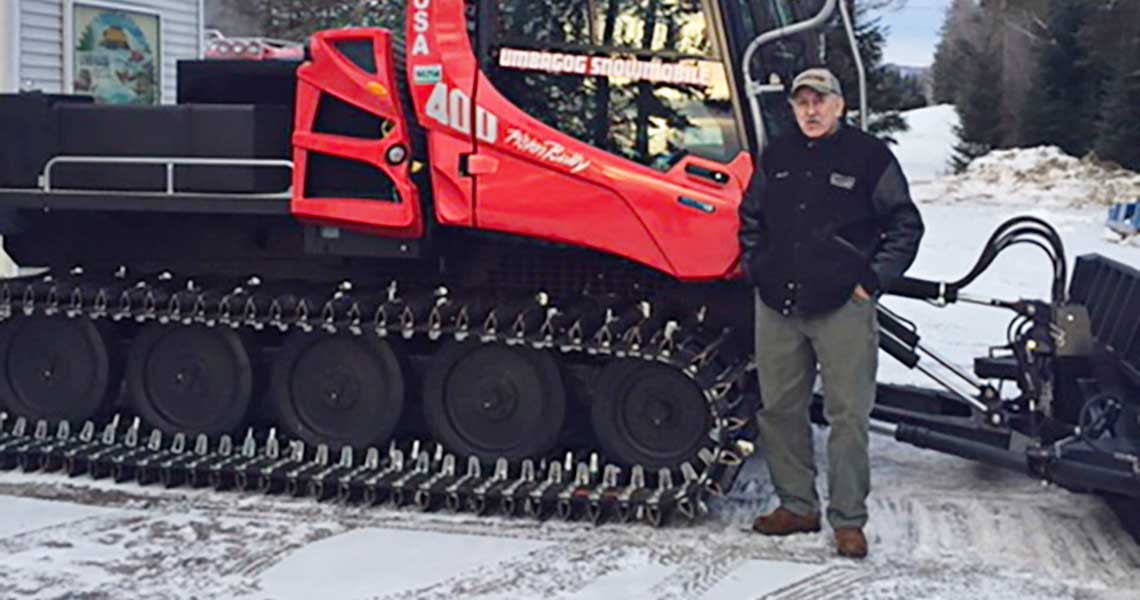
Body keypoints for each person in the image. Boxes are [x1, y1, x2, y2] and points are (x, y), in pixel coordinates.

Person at [738, 68, 924, 559]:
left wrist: (872, 282)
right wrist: (757, 267)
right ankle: (797, 505)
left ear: (840, 105)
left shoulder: (868, 157)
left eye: (820, 101)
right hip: (779, 305)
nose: (811, 111)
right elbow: (751, 217)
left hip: (843, 306)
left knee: (848, 415)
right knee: (779, 409)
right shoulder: (777, 156)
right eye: (802, 103)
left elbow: (905, 224)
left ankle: (848, 520)